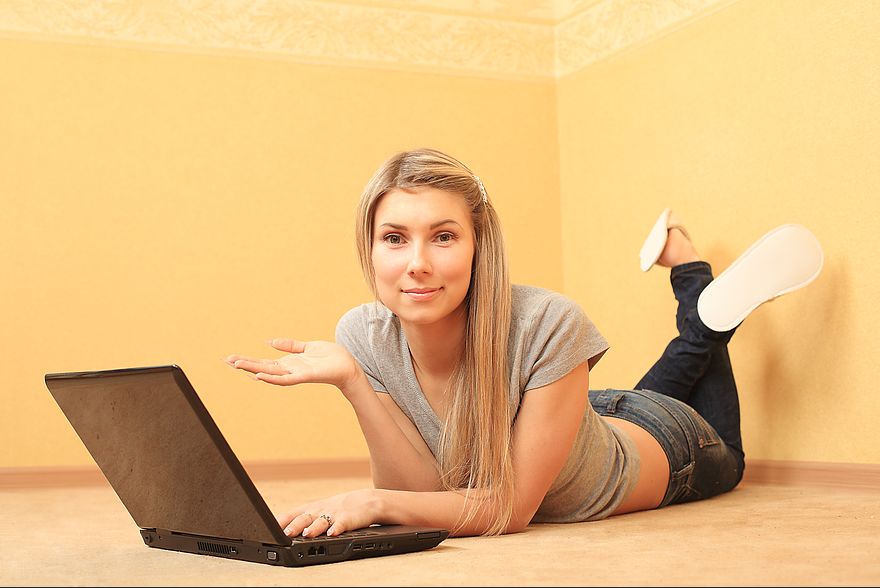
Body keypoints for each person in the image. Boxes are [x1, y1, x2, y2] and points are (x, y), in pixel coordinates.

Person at [225, 148, 823, 539]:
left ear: (479, 244)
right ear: (370, 249)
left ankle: (703, 298)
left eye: (443, 236)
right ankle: (695, 286)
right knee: (639, 388)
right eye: (394, 238)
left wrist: (374, 503)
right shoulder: (362, 334)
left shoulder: (548, 323)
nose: (417, 264)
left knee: (732, 448)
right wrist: (353, 382)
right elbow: (428, 495)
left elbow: (508, 511)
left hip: (669, 443)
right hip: (583, 418)